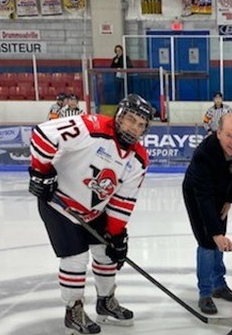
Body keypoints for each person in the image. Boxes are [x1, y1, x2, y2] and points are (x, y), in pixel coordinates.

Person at [28, 94, 154, 335]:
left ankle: (105, 302)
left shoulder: (139, 159)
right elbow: (43, 135)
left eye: (140, 125)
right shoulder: (91, 127)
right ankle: (73, 311)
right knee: (75, 258)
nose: (134, 127)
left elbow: (123, 200)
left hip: (93, 210)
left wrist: (116, 235)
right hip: (60, 203)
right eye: (130, 119)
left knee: (107, 253)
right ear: (119, 116)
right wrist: (41, 172)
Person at [182, 112, 232, 315]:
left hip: (221, 191)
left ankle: (218, 284)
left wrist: (230, 199)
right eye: (229, 135)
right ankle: (205, 293)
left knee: (219, 237)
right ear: (218, 133)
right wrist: (215, 233)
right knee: (207, 240)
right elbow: (203, 197)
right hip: (196, 192)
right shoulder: (204, 153)